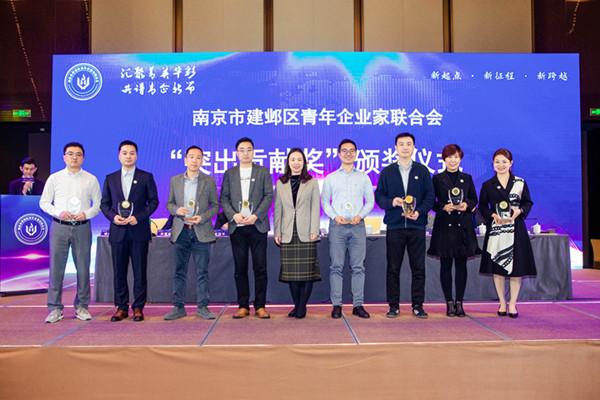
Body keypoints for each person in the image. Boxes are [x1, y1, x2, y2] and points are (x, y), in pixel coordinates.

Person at [39, 142, 101, 323]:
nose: (74, 157)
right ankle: (54, 308)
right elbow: (44, 202)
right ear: (64, 157)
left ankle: (82, 307)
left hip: (82, 226)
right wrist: (59, 212)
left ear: (83, 157)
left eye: (78, 154)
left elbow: (98, 204)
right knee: (56, 268)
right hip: (60, 226)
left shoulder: (91, 179)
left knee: (83, 268)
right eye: (71, 154)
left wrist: (86, 214)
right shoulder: (54, 178)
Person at [375, 132, 434, 319]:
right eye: (401, 144)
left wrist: (420, 212)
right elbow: (379, 196)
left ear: (414, 147)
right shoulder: (388, 171)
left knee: (418, 268)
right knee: (393, 268)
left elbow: (430, 196)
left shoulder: (422, 171)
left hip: (417, 226)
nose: (405, 147)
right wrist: (392, 202)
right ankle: (393, 306)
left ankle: (418, 305)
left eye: (409, 144)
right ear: (396, 148)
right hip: (395, 226)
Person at [100, 140, 159, 322]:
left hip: (138, 231)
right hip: (118, 231)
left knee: (140, 271)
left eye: (132, 153)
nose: (128, 156)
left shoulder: (146, 177)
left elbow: (154, 202)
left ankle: (138, 307)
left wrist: (138, 217)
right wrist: (113, 217)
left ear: (137, 156)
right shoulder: (110, 178)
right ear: (119, 155)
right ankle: (121, 307)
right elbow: (104, 204)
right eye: (124, 153)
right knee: (119, 272)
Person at [479, 148, 536, 318]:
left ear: (511, 163)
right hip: (497, 230)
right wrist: (492, 215)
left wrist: (520, 211)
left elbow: (527, 202)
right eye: (497, 162)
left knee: (516, 269)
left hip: (516, 229)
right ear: (492, 164)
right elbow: (482, 206)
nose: (501, 165)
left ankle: (512, 304)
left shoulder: (520, 183)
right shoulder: (488, 185)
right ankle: (502, 303)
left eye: (504, 161)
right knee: (498, 267)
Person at [220, 137, 273, 319]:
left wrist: (256, 215)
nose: (245, 153)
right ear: (236, 153)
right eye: (242, 150)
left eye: (249, 149)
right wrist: (233, 215)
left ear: (253, 152)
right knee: (240, 268)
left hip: (257, 225)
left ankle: (260, 306)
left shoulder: (262, 171)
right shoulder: (230, 173)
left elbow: (268, 195)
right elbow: (224, 198)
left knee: (260, 268)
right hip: (238, 227)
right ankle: (243, 305)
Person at [164, 146, 218, 320]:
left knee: (202, 272)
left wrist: (202, 217)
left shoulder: (208, 181)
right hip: (181, 231)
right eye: (191, 157)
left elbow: (215, 206)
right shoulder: (175, 180)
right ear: (185, 160)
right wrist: (176, 210)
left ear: (202, 161)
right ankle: (178, 307)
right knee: (179, 271)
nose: (195, 160)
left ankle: (203, 307)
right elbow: (169, 204)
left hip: (201, 232)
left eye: (198, 157)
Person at [322, 139, 374, 319]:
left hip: (357, 226)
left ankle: (358, 305)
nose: (348, 154)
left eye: (351, 151)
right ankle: (336, 305)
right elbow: (325, 202)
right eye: (344, 151)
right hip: (337, 226)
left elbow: (370, 201)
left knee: (358, 267)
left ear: (356, 154)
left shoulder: (364, 177)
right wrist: (334, 216)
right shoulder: (331, 178)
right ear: (339, 154)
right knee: (336, 267)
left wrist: (361, 215)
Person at [427, 144, 480, 317]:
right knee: (445, 265)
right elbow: (431, 201)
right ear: (444, 159)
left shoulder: (467, 178)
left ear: (460, 159)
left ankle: (460, 303)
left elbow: (474, 199)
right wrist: (443, 206)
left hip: (463, 226)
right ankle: (449, 303)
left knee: (461, 265)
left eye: (456, 157)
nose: (453, 160)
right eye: (449, 157)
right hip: (445, 226)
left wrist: (467, 205)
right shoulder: (437, 178)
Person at [274, 148, 321, 319]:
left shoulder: (312, 182)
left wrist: (314, 230)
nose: (296, 163)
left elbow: (315, 208)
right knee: (291, 274)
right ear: (288, 162)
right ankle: (297, 305)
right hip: (287, 232)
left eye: (299, 159)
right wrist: (277, 231)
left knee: (307, 273)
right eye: (293, 159)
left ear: (304, 162)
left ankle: (301, 307)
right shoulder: (281, 182)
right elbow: (278, 209)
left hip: (306, 232)